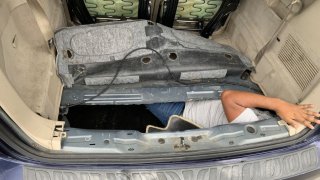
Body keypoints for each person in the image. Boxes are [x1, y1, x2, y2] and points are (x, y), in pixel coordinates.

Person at [146, 90, 320, 129]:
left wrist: (280, 104)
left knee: (144, 94)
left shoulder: (252, 125)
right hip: (200, 94)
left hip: (181, 111)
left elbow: (229, 97)